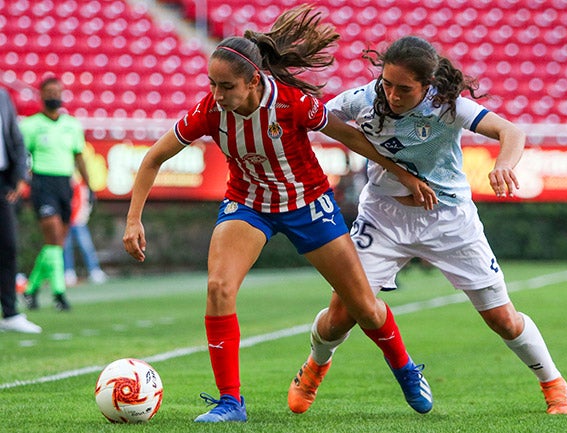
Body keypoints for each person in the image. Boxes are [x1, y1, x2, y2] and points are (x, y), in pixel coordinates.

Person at [123, 6, 436, 424]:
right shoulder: (210, 111)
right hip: (248, 204)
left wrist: (401, 174)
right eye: (212, 84)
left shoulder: (290, 103)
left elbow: (346, 134)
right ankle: (230, 402)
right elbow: (153, 158)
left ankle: (405, 369)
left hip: (308, 204)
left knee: (363, 306)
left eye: (226, 86)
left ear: (254, 81)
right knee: (218, 287)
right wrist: (133, 219)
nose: (217, 94)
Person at [288, 36, 567, 415]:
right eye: (387, 84)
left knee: (502, 319)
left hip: (449, 219)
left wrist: (504, 164)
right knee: (340, 317)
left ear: (427, 86)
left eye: (404, 88)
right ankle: (313, 368)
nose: (391, 95)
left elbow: (512, 132)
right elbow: (322, 119)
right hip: (383, 217)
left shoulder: (448, 106)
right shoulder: (363, 98)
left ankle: (555, 384)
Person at [20, 76, 93, 311]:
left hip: (65, 185)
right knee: (53, 238)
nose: (53, 96)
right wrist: (21, 181)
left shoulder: (72, 125)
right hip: (42, 184)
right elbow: (21, 156)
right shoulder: (29, 126)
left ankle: (30, 291)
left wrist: (89, 186)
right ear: (41, 95)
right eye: (49, 92)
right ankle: (59, 295)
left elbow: (79, 156)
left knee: (56, 244)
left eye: (57, 92)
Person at [0, 88, 42, 333]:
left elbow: (15, 138)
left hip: (3, 182)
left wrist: (19, 177)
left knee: (7, 246)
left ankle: (10, 313)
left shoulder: (3, 96)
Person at [63, 176, 108, 286]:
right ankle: (68, 272)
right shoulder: (64, 186)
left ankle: (94, 271)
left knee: (86, 247)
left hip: (79, 222)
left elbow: (85, 202)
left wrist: (82, 217)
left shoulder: (81, 186)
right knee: (66, 248)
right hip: (66, 221)